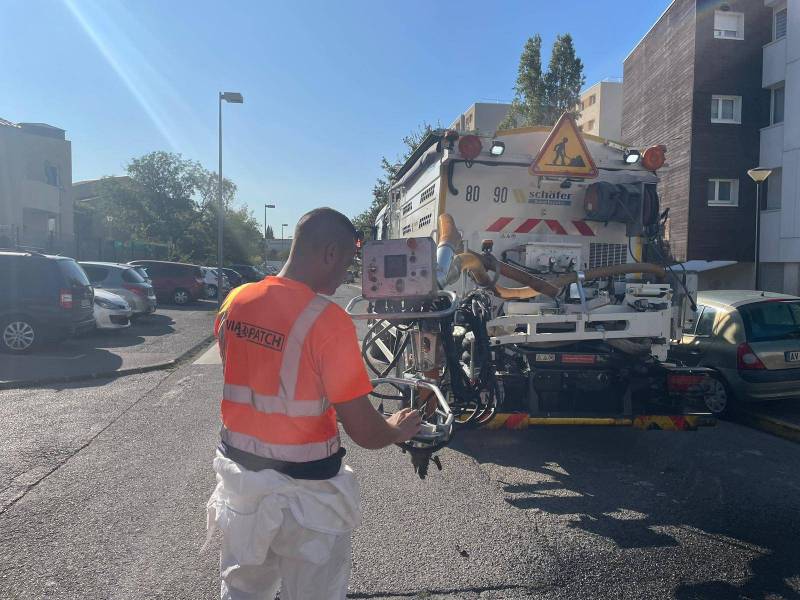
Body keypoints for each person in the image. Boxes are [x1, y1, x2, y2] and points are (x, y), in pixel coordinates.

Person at [206, 207, 422, 600]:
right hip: (309, 498)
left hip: (241, 483)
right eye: (346, 261)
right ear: (328, 253)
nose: (346, 274)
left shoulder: (234, 300)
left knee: (242, 589)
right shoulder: (328, 321)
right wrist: (397, 428)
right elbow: (365, 432)